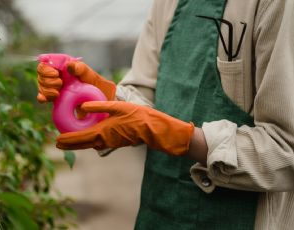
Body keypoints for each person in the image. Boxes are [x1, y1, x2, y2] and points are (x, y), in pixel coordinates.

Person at [36, 0, 294, 229]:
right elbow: (144, 91)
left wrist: (182, 137)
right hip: (160, 209)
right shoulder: (167, 4)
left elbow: (285, 149)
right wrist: (102, 96)